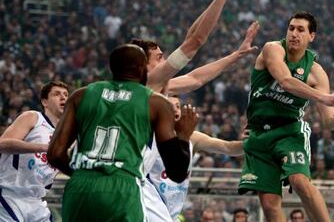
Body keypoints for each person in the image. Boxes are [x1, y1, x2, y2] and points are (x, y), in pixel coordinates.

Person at [47, 44, 196, 221]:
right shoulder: (155, 103)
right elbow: (177, 173)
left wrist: (87, 173)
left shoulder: (81, 95)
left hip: (80, 186)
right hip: (123, 185)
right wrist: (184, 136)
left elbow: (55, 154)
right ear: (142, 69)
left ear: (112, 67)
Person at [238, 11, 334, 222]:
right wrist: (323, 97)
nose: (294, 34)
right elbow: (286, 81)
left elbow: (328, 121)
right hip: (258, 134)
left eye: (300, 30)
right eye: (291, 28)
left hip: (289, 132)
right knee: (270, 206)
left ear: (312, 36)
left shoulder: (317, 73)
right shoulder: (272, 49)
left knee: (299, 180)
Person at [132, 0, 249, 95]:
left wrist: (236, 55)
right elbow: (196, 41)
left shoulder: (160, 85)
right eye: (159, 57)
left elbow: (195, 79)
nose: (165, 59)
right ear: (142, 66)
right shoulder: (147, 82)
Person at [144, 95, 245, 221]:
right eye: (169, 107)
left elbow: (228, 148)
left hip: (173, 211)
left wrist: (252, 142)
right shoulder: (149, 136)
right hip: (150, 204)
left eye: (177, 106)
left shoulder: (193, 138)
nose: (175, 110)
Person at [0, 81, 69, 221]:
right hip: (10, 194)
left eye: (66, 95)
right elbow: (3, 143)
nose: (63, 98)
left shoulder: (66, 135)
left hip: (37, 200)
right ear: (45, 102)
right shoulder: (33, 117)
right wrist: (44, 148)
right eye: (57, 94)